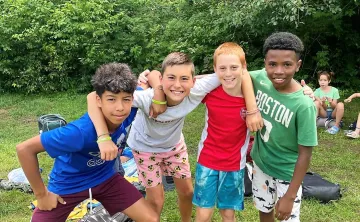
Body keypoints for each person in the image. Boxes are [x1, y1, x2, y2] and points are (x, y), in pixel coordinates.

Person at [87, 52, 262, 222]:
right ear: (162, 79)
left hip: (174, 147)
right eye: (171, 78)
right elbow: (91, 97)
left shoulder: (197, 89)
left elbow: (241, 73)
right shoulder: (146, 98)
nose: (177, 85)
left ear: (193, 82)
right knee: (156, 199)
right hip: (144, 149)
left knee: (187, 192)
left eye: (184, 79)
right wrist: (103, 138)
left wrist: (253, 111)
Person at [16, 63, 157, 222]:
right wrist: (41, 195)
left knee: (150, 218)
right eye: (111, 99)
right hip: (69, 183)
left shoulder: (132, 107)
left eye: (126, 99)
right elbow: (24, 149)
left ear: (132, 99)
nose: (120, 107)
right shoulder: (79, 132)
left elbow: (154, 77)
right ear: (99, 100)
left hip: (106, 178)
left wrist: (149, 82)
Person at [249, 32, 318, 222]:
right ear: (265, 63)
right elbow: (229, 73)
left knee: (287, 218)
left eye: (287, 64)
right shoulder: (261, 78)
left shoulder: (303, 105)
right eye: (273, 64)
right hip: (261, 165)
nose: (278, 71)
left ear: (298, 65)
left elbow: (305, 153)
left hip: (287, 174)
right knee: (264, 210)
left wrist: (290, 195)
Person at [192, 42, 255, 222]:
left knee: (228, 214)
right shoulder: (210, 91)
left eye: (234, 67)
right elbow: (186, 82)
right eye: (222, 68)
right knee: (203, 214)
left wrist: (308, 93)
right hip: (207, 160)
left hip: (234, 163)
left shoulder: (252, 96)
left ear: (244, 67)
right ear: (215, 70)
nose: (228, 73)